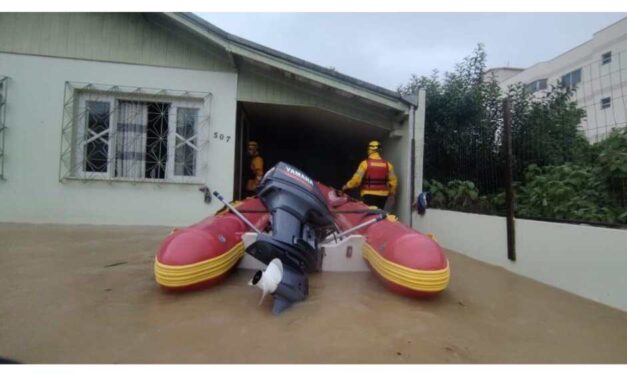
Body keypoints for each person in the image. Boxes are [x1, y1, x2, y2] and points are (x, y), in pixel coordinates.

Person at [342, 140, 398, 209]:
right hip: (383, 195)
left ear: (369, 150)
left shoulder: (364, 164)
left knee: (370, 214)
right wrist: (392, 193)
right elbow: (393, 182)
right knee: (379, 213)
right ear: (379, 150)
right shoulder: (388, 165)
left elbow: (356, 180)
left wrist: (347, 186)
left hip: (368, 194)